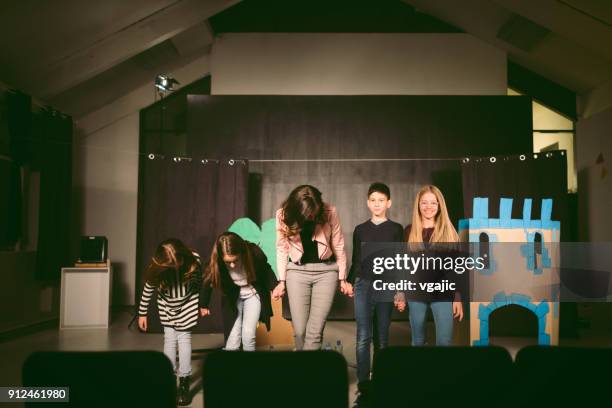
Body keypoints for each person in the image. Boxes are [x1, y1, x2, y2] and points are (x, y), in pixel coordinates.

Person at [272, 185, 353, 350]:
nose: (312, 216)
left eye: (314, 212)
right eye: (308, 214)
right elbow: (282, 248)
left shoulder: (329, 212)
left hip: (326, 272)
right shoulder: (283, 215)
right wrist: (281, 281)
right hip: (296, 272)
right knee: (300, 331)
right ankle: (305, 367)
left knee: (314, 333)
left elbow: (338, 245)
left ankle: (309, 373)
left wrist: (343, 278)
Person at [348, 182, 404, 407]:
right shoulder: (360, 229)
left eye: (381, 200)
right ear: (367, 203)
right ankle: (363, 386)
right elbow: (356, 260)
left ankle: (381, 382)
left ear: (388, 203)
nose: (377, 204)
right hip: (364, 284)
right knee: (363, 336)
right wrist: (350, 282)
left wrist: (400, 290)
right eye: (373, 200)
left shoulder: (396, 229)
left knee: (382, 337)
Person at [138, 238, 202, 406]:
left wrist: (200, 305)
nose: (175, 269)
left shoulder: (194, 260)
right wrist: (142, 313)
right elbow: (148, 289)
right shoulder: (158, 267)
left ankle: (184, 383)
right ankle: (168, 379)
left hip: (187, 306)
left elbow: (198, 283)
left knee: (184, 340)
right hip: (166, 308)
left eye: (177, 265)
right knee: (169, 341)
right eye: (170, 267)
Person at [401, 185, 464, 346]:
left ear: (439, 205)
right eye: (424, 203)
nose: (428, 207)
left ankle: (440, 371)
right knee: (418, 341)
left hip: (443, 292)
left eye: (433, 203)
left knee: (444, 341)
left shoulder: (449, 232)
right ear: (418, 205)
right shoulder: (409, 231)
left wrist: (457, 297)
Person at [200, 232, 277, 351]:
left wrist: (275, 286)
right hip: (232, 297)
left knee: (248, 335)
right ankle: (233, 367)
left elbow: (266, 270)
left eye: (235, 260)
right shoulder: (215, 261)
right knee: (233, 338)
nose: (231, 265)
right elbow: (207, 281)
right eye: (227, 262)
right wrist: (203, 304)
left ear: (241, 252)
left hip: (252, 295)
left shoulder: (254, 253)